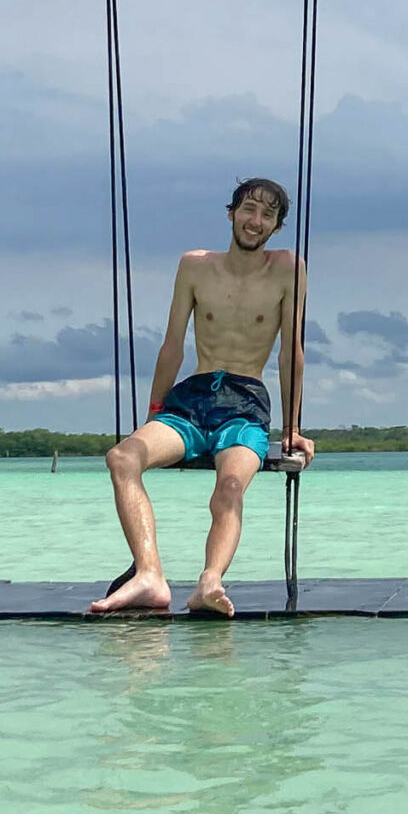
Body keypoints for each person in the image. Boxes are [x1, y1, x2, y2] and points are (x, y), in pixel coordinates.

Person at [90, 177, 314, 617]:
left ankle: (209, 582)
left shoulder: (288, 268)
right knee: (122, 458)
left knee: (230, 487)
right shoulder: (194, 265)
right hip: (191, 401)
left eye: (268, 215)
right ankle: (150, 575)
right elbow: (172, 344)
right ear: (231, 213)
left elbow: (292, 353)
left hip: (245, 404)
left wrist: (291, 428)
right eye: (249, 209)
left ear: (276, 227)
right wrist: (153, 413)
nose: (256, 221)